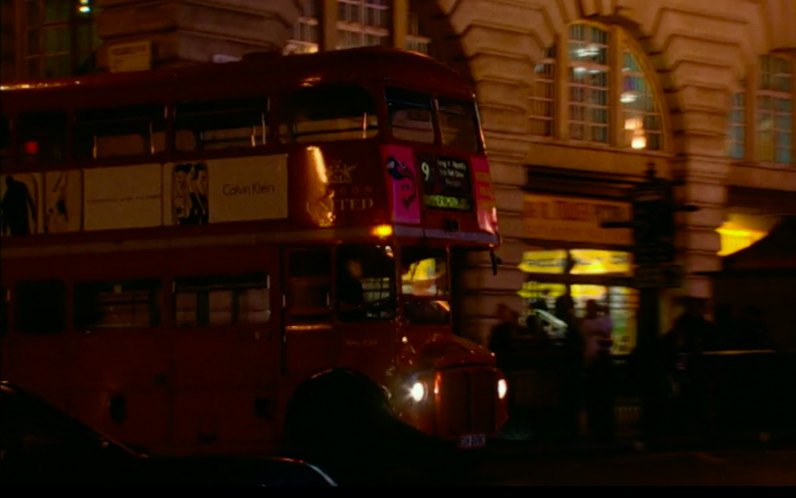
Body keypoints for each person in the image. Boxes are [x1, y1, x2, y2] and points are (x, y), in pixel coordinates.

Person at [580, 299, 615, 441]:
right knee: (597, 397)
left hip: (596, 364)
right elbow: (604, 327)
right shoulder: (587, 324)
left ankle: (599, 426)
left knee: (597, 397)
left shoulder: (587, 323)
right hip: (594, 364)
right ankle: (598, 426)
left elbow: (606, 327)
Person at [337, 254, 366, 320]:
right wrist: (358, 307)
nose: (360, 269)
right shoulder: (344, 282)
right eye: (357, 266)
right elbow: (340, 305)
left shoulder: (357, 283)